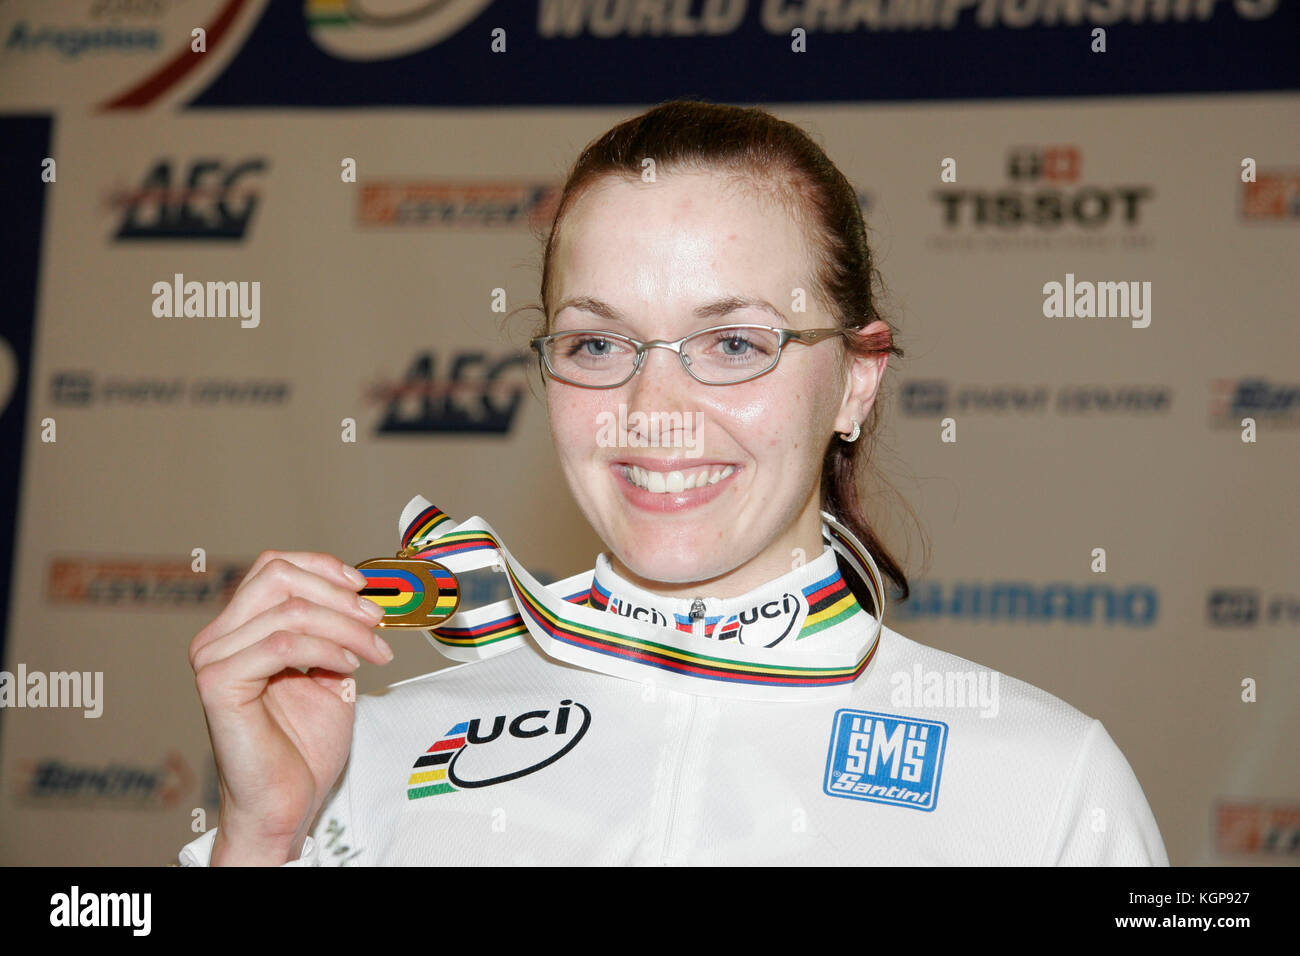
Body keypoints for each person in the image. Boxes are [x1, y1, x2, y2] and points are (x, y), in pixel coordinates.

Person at [179, 100, 1168, 866]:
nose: (652, 408)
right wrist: (261, 840)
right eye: (597, 341)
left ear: (855, 382)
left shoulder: (1042, 780)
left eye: (733, 342)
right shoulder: (365, 752)